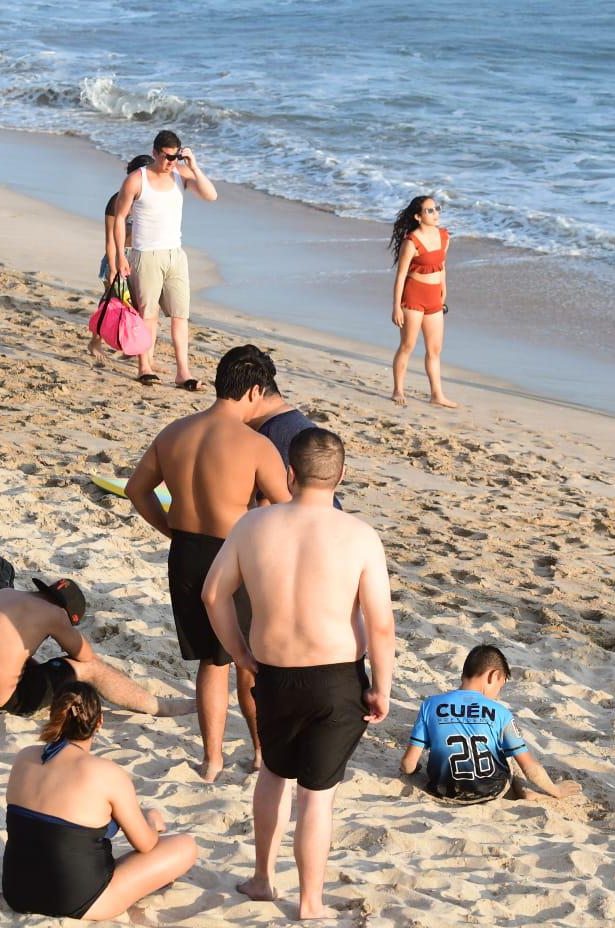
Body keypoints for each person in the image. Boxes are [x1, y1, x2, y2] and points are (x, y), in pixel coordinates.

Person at [203, 427, 395, 921]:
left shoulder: (253, 526)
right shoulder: (359, 536)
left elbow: (212, 594)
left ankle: (263, 878)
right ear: (341, 477)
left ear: (289, 473)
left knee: (273, 774)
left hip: (273, 673)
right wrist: (382, 688)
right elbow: (381, 623)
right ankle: (309, 902)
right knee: (317, 795)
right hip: (336, 679)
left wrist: (240, 653)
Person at [126, 345, 290, 781]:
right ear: (255, 390)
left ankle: (212, 759)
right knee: (248, 658)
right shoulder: (256, 445)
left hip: (185, 554)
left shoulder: (174, 432)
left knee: (211, 663)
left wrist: (171, 531)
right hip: (232, 556)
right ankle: (259, 753)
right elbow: (288, 508)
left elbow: (136, 491)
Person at [3, 681, 198, 921]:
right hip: (77, 900)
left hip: (17, 892)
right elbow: (145, 845)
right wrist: (152, 821)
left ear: (55, 716)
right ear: (99, 723)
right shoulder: (107, 774)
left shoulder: (25, 757)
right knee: (184, 846)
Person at [0, 579, 194, 717]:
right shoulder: (54, 614)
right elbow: (86, 655)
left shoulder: (4, 593)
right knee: (91, 669)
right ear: (68, 613)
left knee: (22, 657)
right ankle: (161, 707)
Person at [400, 644, 580, 803]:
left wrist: (416, 769)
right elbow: (529, 768)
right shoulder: (501, 713)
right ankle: (525, 792)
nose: (497, 694)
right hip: (490, 792)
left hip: (443, 792)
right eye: (500, 686)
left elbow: (408, 765)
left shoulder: (430, 705)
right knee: (511, 753)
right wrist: (557, 791)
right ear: (493, 676)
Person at [112, 130, 218, 389]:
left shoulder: (181, 175)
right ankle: (144, 366)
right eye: (167, 157)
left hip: (175, 255)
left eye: (176, 157)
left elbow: (211, 195)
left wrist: (194, 166)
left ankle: (183, 373)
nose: (171, 162)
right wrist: (119, 257)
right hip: (145, 254)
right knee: (148, 315)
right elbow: (118, 219)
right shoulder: (137, 180)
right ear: (155, 153)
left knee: (180, 315)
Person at [389, 194, 456, 409]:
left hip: (434, 297)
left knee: (435, 349)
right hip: (413, 297)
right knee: (408, 345)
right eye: (430, 210)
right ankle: (398, 389)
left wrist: (443, 289)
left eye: (437, 209)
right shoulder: (411, 242)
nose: (435, 213)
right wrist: (396, 307)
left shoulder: (444, 236)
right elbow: (400, 276)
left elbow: (442, 265)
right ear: (418, 216)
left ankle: (437, 394)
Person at [246, 360, 341, 510]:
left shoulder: (268, 436)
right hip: (331, 514)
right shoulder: (299, 422)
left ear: (254, 393)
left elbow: (264, 505)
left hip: (303, 522)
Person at [89, 154, 154, 359]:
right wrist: (113, 265)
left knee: (137, 305)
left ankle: (130, 344)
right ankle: (94, 342)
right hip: (119, 255)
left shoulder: (152, 199)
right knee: (111, 303)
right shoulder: (117, 200)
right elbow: (109, 238)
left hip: (142, 256)